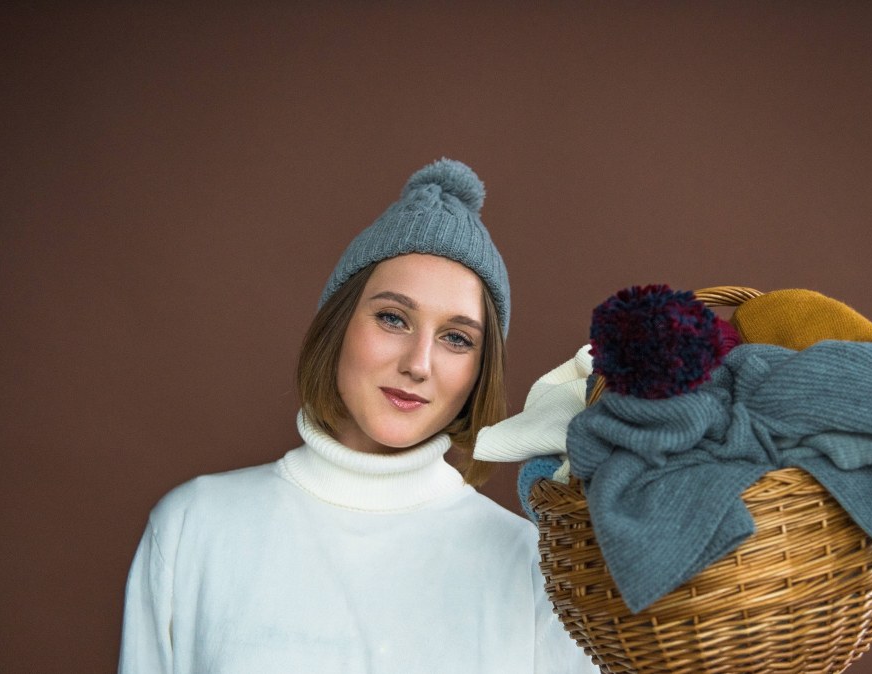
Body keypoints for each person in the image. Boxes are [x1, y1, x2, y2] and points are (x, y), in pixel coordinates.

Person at [118, 159, 598, 673]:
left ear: (480, 372)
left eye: (456, 338)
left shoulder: (534, 565)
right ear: (339, 325)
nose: (418, 364)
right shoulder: (195, 527)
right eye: (393, 318)